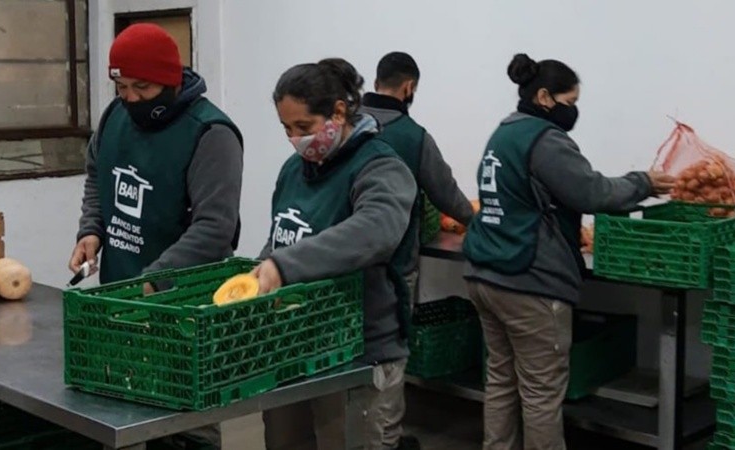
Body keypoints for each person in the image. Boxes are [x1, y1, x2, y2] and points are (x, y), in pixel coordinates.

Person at [462, 53, 674, 450]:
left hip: (486, 272)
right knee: (542, 393)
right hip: (527, 279)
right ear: (544, 97)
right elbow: (592, 192)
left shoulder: (505, 131)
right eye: (570, 103)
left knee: (502, 381)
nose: (573, 112)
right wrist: (642, 182)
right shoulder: (545, 140)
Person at [68, 23, 244, 449]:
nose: (129, 97)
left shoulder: (211, 134)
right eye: (121, 86)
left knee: (184, 426)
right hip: (122, 298)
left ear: (168, 80)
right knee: (128, 414)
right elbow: (99, 175)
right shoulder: (116, 117)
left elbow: (215, 228)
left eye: (141, 88)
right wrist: (91, 230)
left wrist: (157, 278)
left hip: (182, 308)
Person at [253, 58, 417, 450]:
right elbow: (281, 236)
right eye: (286, 129)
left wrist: (284, 266)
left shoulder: (381, 168)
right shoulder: (293, 171)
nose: (295, 139)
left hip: (359, 353)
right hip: (295, 348)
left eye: (304, 128)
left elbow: (372, 233)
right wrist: (260, 268)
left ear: (338, 113)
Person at [360, 51, 472, 448]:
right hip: (393, 269)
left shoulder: (345, 124)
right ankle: (385, 441)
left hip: (343, 265)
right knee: (389, 357)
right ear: (409, 88)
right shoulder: (413, 135)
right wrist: (479, 223)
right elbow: (449, 196)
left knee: (351, 357)